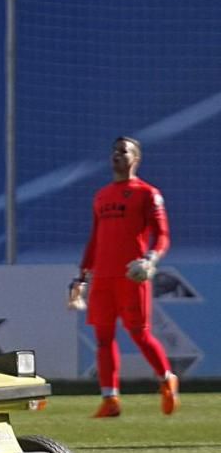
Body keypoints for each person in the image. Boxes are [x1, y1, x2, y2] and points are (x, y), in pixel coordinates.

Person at [73, 136, 178, 418]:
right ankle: (110, 399)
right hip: (103, 280)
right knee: (103, 338)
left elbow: (163, 235)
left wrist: (151, 258)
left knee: (139, 332)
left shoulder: (147, 193)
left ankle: (167, 379)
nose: (117, 156)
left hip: (131, 276)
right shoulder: (101, 195)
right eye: (114, 152)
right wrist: (82, 277)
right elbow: (95, 240)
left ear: (136, 158)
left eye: (124, 151)